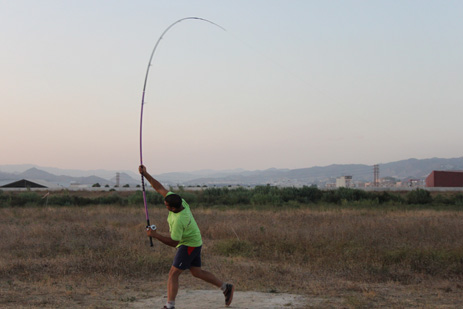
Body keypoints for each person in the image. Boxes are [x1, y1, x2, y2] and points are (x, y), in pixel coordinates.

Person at [139, 165, 234, 309]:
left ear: (173, 208)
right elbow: (159, 188)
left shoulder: (179, 220)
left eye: (166, 206)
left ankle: (169, 306)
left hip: (189, 244)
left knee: (173, 274)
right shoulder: (179, 201)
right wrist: (145, 174)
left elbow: (174, 242)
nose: (164, 206)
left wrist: (155, 235)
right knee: (197, 272)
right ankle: (226, 287)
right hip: (195, 241)